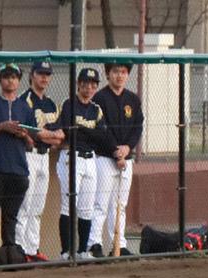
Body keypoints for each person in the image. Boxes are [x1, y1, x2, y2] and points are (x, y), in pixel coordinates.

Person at [0, 63, 62, 261]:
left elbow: (30, 143)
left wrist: (24, 135)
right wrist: (2, 126)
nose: (10, 80)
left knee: (11, 215)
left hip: (18, 168)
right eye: (6, 77)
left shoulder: (24, 107)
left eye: (14, 77)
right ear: (0, 80)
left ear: (19, 80)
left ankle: (10, 253)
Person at [47, 67, 109, 260]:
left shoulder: (96, 109)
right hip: (71, 157)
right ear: (78, 84)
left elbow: (102, 136)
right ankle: (66, 251)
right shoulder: (69, 104)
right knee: (68, 205)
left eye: (93, 84)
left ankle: (82, 251)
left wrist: (81, 130)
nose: (89, 87)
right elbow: (69, 131)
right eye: (85, 83)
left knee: (87, 208)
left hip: (90, 158)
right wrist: (84, 131)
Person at [89, 62, 143, 258]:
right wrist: (115, 150)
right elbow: (101, 128)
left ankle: (119, 244)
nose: (119, 76)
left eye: (123, 72)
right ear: (108, 74)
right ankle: (94, 243)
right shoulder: (100, 98)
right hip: (104, 158)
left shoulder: (133, 100)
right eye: (115, 72)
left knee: (120, 205)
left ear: (127, 74)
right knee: (100, 203)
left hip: (126, 160)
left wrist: (127, 148)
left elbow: (138, 126)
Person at [16, 61, 59, 262]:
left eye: (47, 74)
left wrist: (48, 135)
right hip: (30, 155)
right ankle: (20, 250)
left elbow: (60, 135)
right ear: (32, 75)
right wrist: (49, 135)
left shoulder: (50, 103)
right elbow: (32, 132)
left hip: (45, 157)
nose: (44, 78)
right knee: (25, 205)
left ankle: (32, 248)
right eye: (40, 73)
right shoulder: (25, 100)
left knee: (38, 207)